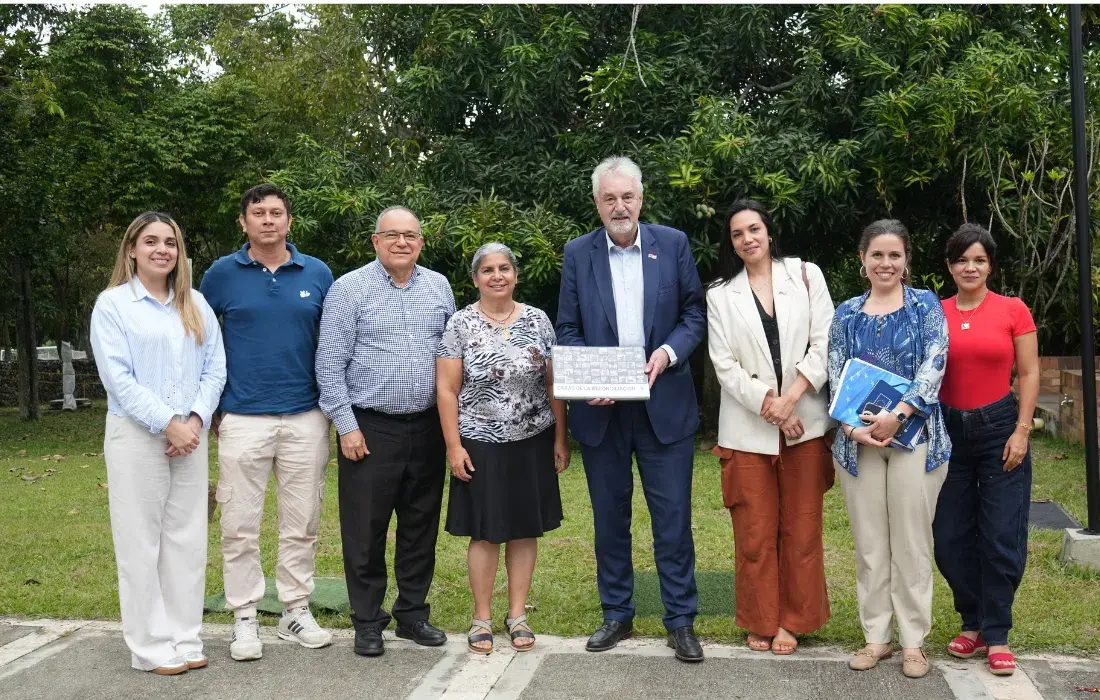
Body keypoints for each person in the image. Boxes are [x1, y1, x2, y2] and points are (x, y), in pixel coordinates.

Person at [556, 156, 707, 662]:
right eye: (609, 198)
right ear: (597, 203)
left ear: (640, 199)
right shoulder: (578, 254)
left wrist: (666, 353)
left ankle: (681, 619)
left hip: (664, 405)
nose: (619, 206)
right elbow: (569, 328)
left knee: (672, 519)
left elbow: (693, 313)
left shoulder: (673, 244)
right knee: (609, 519)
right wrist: (586, 382)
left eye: (627, 197)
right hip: (603, 412)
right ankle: (617, 613)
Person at [199, 184, 335, 661]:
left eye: (276, 212)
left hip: (306, 415)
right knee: (239, 523)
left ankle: (296, 609)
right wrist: (210, 408)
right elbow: (200, 342)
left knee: (302, 522)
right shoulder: (220, 275)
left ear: (289, 221)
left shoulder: (317, 273)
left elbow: (331, 344)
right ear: (244, 222)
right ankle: (244, 617)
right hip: (241, 416)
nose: (268, 220)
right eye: (258, 213)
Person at [316, 205, 456, 657]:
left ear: (420, 242)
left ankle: (412, 615)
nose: (401, 242)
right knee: (365, 529)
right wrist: (347, 426)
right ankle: (368, 620)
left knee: (420, 526)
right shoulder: (348, 289)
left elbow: (451, 360)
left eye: (410, 235)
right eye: (391, 234)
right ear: (375, 241)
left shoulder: (438, 287)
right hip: (369, 427)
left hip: (428, 426)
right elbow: (328, 365)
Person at [90, 212, 226, 674]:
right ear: (131, 249)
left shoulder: (197, 304)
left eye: (170, 243)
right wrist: (168, 423)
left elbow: (215, 368)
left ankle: (184, 636)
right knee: (140, 542)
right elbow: (118, 378)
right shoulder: (113, 306)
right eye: (151, 242)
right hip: (137, 436)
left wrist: (193, 420)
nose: (162, 250)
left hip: (190, 435)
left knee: (187, 539)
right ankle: (148, 646)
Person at [705, 199, 835, 656]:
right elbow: (724, 364)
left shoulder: (805, 275)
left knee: (801, 530)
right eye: (738, 233)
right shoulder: (720, 294)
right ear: (732, 242)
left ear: (769, 232)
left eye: (754, 229)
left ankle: (794, 621)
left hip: (806, 422)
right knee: (755, 533)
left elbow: (825, 340)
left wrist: (792, 397)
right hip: (747, 428)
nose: (747, 239)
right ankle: (760, 618)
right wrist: (770, 405)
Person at [828, 219, 950, 679]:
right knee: (871, 544)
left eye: (894, 255)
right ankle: (876, 637)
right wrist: (849, 425)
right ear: (863, 260)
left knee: (913, 544)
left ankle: (913, 642)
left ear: (906, 261)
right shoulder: (846, 313)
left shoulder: (925, 306)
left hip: (913, 438)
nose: (885, 263)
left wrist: (898, 414)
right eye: (877, 254)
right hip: (858, 443)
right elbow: (834, 371)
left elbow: (935, 362)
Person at [437, 242, 570, 655]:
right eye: (488, 270)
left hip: (533, 439)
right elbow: (446, 388)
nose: (497, 276)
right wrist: (454, 446)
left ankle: (517, 615)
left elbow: (553, 384)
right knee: (485, 531)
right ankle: (481, 618)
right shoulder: (460, 323)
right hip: (480, 441)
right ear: (475, 278)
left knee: (525, 528)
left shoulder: (538, 320)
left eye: (505, 268)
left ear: (515, 274)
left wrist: (561, 437)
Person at [933, 224, 1038, 677]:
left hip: (1000, 428)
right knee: (949, 538)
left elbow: (1030, 374)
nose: (969, 267)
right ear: (950, 266)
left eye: (978, 259)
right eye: (961, 260)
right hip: (948, 431)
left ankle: (995, 632)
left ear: (990, 265)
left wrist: (1021, 431)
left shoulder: (1013, 310)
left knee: (1001, 537)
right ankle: (970, 619)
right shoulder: (934, 313)